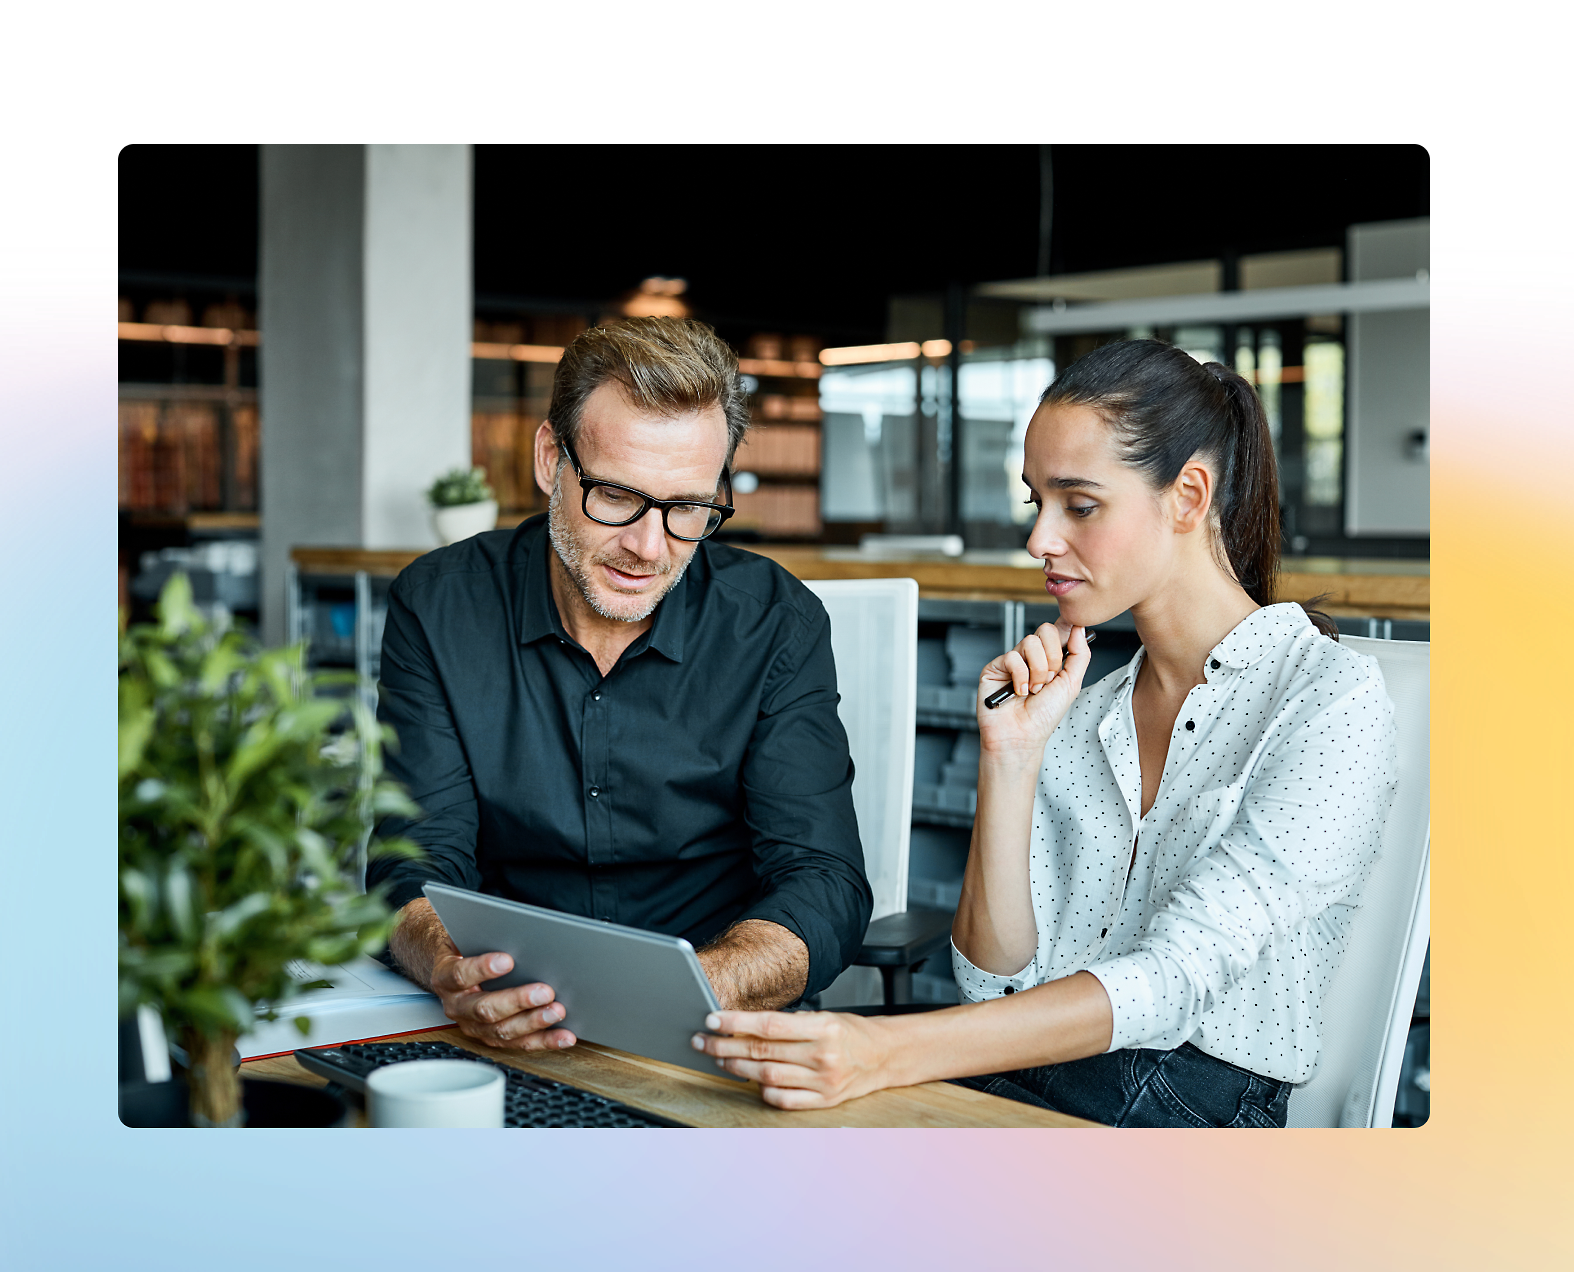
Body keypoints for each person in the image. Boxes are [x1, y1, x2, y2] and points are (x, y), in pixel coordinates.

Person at [694, 339, 1399, 1127]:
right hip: (1047, 1071)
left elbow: (1173, 983)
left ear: (1188, 496)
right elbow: (991, 983)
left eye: (1081, 505)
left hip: (1196, 1109)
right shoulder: (1087, 711)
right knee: (747, 1098)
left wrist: (886, 1051)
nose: (1039, 540)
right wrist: (1012, 757)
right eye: (1038, 502)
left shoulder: (1328, 700)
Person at [370, 316, 872, 1053]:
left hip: (711, 1029)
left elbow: (822, 881)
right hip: (500, 1021)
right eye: (614, 495)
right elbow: (412, 860)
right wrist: (451, 967)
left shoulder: (775, 624)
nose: (647, 546)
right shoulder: (439, 606)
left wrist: (698, 987)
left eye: (688, 508)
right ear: (551, 459)